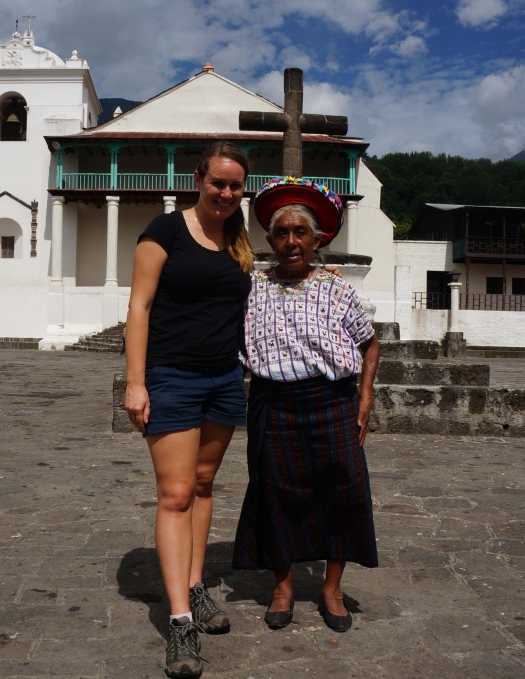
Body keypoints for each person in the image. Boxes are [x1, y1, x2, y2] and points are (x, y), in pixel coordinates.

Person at [124, 141, 253, 679]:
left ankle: (197, 587)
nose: (225, 193)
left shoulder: (238, 241)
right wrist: (136, 383)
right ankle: (180, 620)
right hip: (172, 377)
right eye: (217, 182)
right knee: (175, 494)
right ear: (198, 179)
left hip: (225, 379)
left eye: (235, 186)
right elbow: (139, 307)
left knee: (203, 486)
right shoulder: (164, 231)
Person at [233, 177, 381, 634]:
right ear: (270, 240)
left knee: (344, 490)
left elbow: (370, 343)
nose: (291, 241)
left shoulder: (337, 290)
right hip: (272, 403)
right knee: (275, 491)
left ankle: (332, 590)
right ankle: (283, 587)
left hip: (330, 401)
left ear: (318, 240)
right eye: (282, 232)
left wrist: (365, 398)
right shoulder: (251, 288)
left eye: (301, 232)